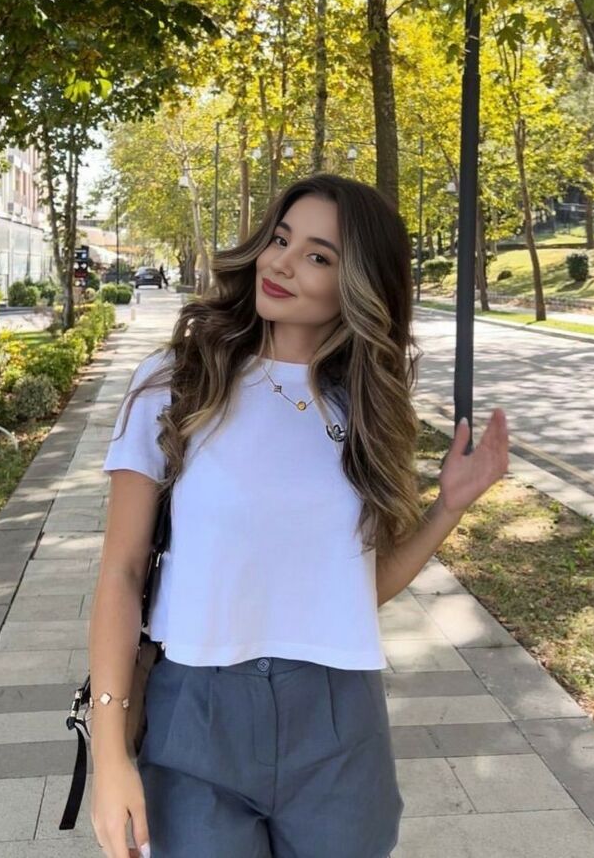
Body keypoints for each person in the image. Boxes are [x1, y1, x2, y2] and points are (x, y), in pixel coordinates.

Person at [89, 174, 509, 858]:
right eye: (280, 239)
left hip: (339, 721)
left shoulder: (362, 407)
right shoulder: (177, 381)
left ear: (358, 284)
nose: (281, 263)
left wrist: (448, 506)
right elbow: (122, 571)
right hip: (196, 713)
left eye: (317, 255)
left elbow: (354, 588)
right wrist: (110, 757)